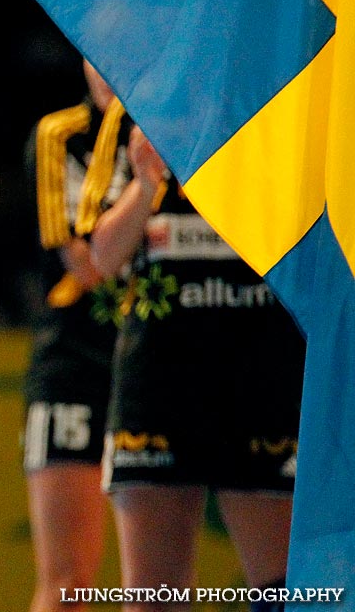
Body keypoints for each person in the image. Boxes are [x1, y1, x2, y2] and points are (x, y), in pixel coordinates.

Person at [90, 124, 304, 612]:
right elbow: (101, 258)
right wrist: (145, 186)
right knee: (153, 598)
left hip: (263, 379)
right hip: (160, 387)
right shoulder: (137, 112)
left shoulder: (273, 102)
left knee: (285, 596)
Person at [20, 60, 130, 612]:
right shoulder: (59, 135)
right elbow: (87, 266)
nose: (107, 65)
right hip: (76, 364)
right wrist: (149, 195)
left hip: (164, 365)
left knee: (156, 587)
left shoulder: (186, 133)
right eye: (94, 49)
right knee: (68, 586)